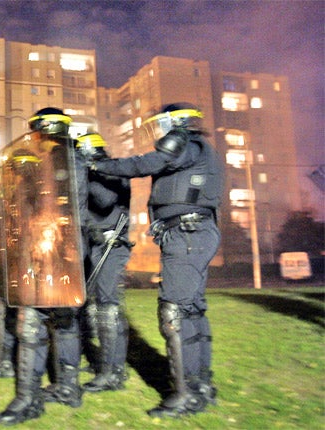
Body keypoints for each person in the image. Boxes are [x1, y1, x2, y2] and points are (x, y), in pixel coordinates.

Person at [91, 102, 223, 417]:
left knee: (175, 312)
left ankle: (186, 395)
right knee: (191, 310)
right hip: (194, 233)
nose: (159, 133)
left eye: (160, 124)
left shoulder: (184, 143)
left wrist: (97, 166)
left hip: (188, 235)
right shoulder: (198, 149)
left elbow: (143, 164)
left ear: (177, 123)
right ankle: (201, 385)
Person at [0, 107, 87, 426]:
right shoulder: (70, 158)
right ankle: (68, 388)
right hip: (62, 251)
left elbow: (60, 207)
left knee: (32, 321)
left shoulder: (61, 160)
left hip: (53, 250)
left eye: (35, 131)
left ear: (43, 130)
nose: (33, 137)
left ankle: (28, 399)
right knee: (64, 320)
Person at [75, 133, 133, 394]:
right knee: (91, 305)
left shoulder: (110, 170)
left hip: (111, 243)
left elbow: (104, 200)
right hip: (92, 243)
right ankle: (102, 362)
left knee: (108, 307)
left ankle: (113, 373)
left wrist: (85, 173)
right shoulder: (89, 173)